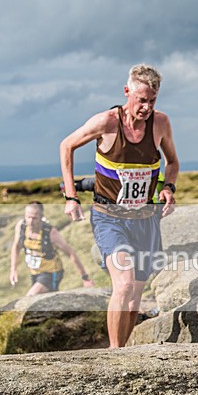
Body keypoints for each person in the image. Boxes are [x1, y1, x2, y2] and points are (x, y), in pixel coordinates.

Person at [59, 64, 179, 349]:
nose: (146, 107)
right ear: (127, 92)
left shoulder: (160, 123)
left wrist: (168, 188)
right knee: (123, 285)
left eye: (152, 100)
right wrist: (71, 196)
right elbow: (67, 145)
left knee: (136, 294)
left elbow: (173, 162)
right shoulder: (107, 122)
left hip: (145, 219)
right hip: (109, 217)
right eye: (141, 100)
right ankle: (113, 355)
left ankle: (122, 352)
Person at [10, 201, 94, 296]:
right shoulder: (21, 226)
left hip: (51, 273)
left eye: (34, 218)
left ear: (41, 217)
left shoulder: (50, 232)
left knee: (30, 296)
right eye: (28, 217)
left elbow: (70, 253)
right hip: (34, 272)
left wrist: (85, 277)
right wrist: (13, 269)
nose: (31, 221)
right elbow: (16, 246)